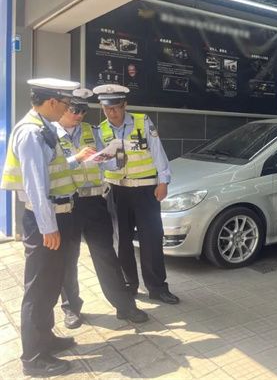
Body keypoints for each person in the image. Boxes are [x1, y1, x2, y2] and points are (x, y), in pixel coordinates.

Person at [0, 78, 90, 376]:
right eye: (66, 104)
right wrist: (48, 227)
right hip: (44, 220)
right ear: (52, 102)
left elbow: (54, 169)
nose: (67, 109)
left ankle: (45, 338)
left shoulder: (44, 128)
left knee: (51, 283)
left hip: (56, 216)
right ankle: (34, 357)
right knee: (38, 288)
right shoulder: (31, 132)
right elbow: (36, 185)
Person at [53, 89, 149, 329]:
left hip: (94, 202)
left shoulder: (91, 131)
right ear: (62, 108)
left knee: (106, 255)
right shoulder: (49, 135)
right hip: (67, 204)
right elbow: (49, 170)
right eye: (75, 110)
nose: (79, 115)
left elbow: (107, 163)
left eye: (84, 110)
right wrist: (76, 158)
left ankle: (125, 306)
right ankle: (71, 308)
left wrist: (116, 156)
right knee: (68, 258)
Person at [92, 84, 179, 304]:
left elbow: (158, 151)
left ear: (125, 105)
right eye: (107, 108)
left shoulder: (143, 121)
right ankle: (129, 284)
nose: (112, 113)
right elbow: (100, 163)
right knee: (121, 240)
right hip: (116, 191)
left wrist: (163, 181)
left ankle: (157, 287)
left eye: (116, 107)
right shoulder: (100, 130)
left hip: (145, 189)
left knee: (151, 239)